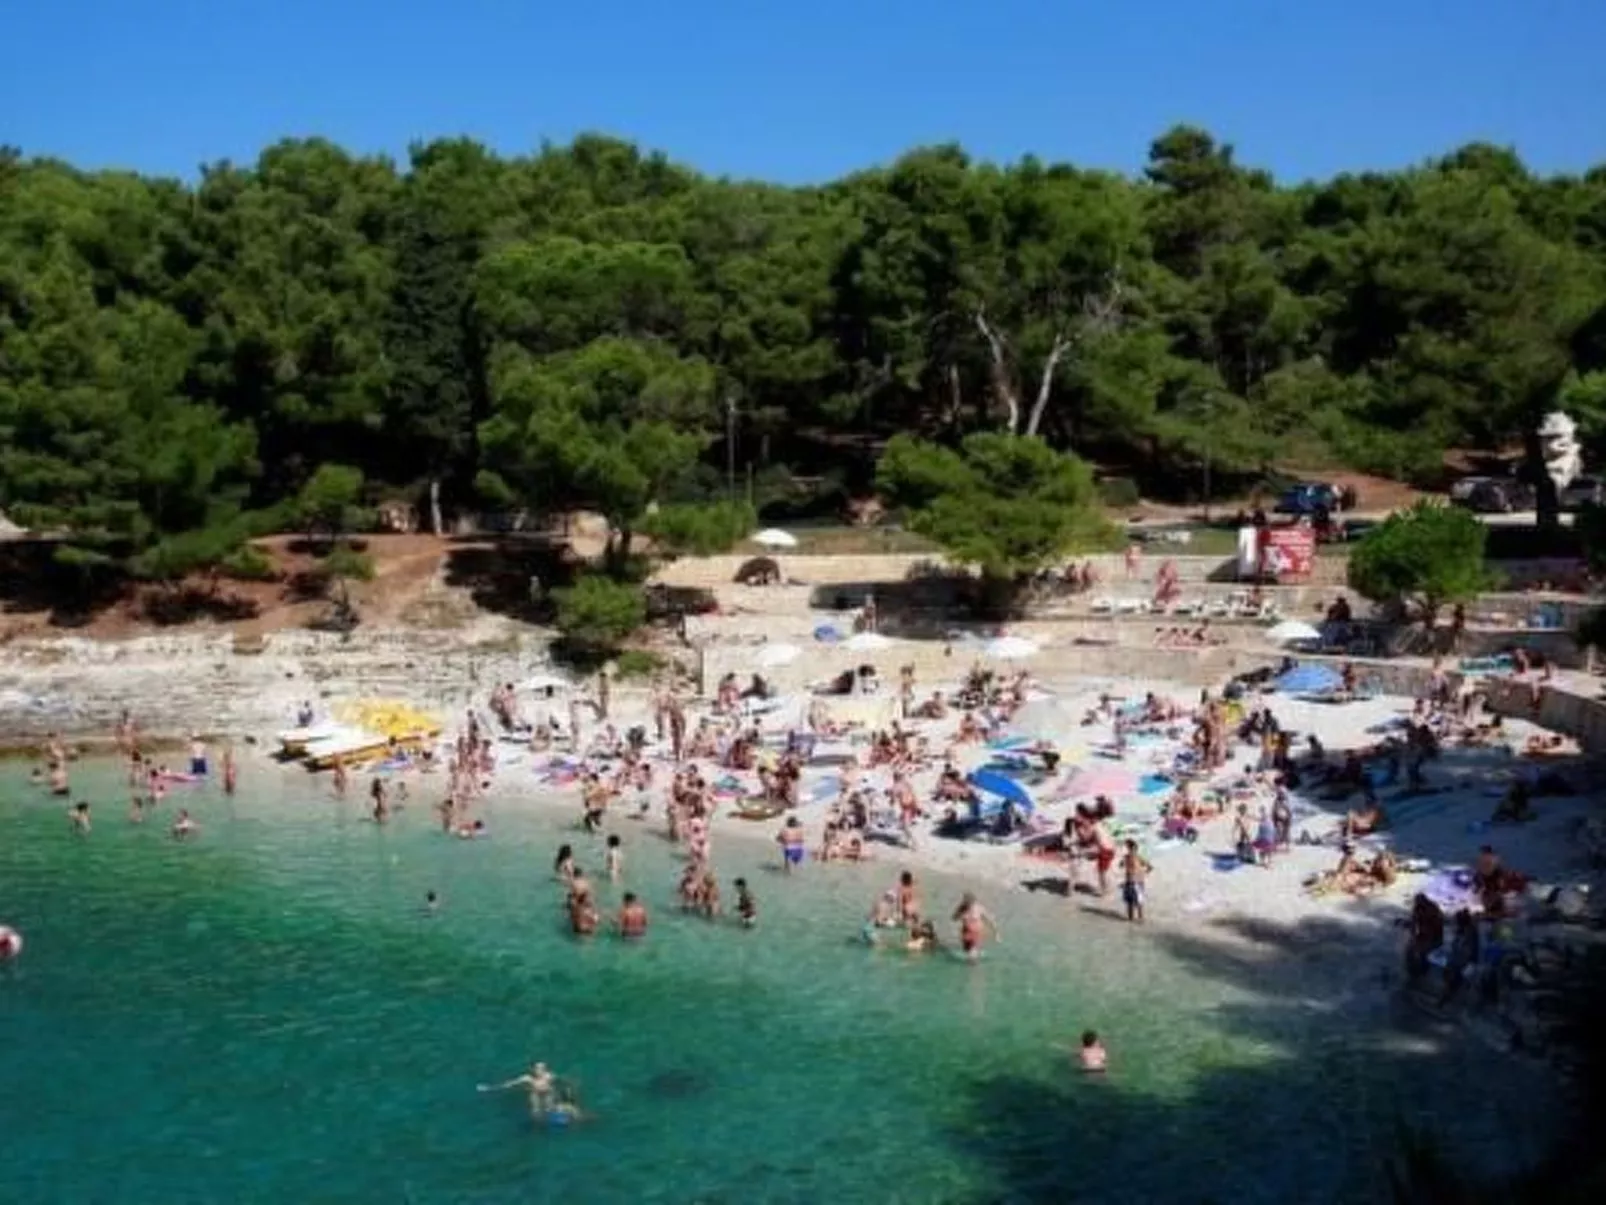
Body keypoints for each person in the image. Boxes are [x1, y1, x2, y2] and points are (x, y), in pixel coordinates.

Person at [478, 1061, 557, 1118]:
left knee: (549, 1108)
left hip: (548, 1092)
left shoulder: (549, 1076)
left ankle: (551, 1114)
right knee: (535, 1112)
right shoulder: (528, 1078)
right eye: (537, 1068)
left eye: (542, 1068)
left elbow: (561, 1082)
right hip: (535, 1093)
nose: (539, 1070)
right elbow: (509, 1084)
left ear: (545, 1069)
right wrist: (489, 1088)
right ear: (533, 1069)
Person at [951, 892, 999, 962]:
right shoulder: (961, 908)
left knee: (972, 958)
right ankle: (974, 958)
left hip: (976, 934)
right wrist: (959, 914)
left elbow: (990, 920)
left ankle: (975, 971)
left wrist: (996, 934)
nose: (968, 904)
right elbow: (953, 918)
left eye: (969, 902)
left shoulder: (979, 908)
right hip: (965, 933)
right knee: (967, 952)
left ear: (973, 901)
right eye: (966, 901)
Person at [1120, 840, 1151, 923]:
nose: (1126, 849)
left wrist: (1142, 874)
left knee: (1139, 901)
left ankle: (1141, 918)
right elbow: (1121, 865)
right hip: (1129, 882)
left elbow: (1149, 867)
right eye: (1126, 848)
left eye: (1127, 847)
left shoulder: (1138, 857)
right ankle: (1131, 919)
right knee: (1129, 901)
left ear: (1133, 848)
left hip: (1137, 882)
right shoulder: (1126, 857)